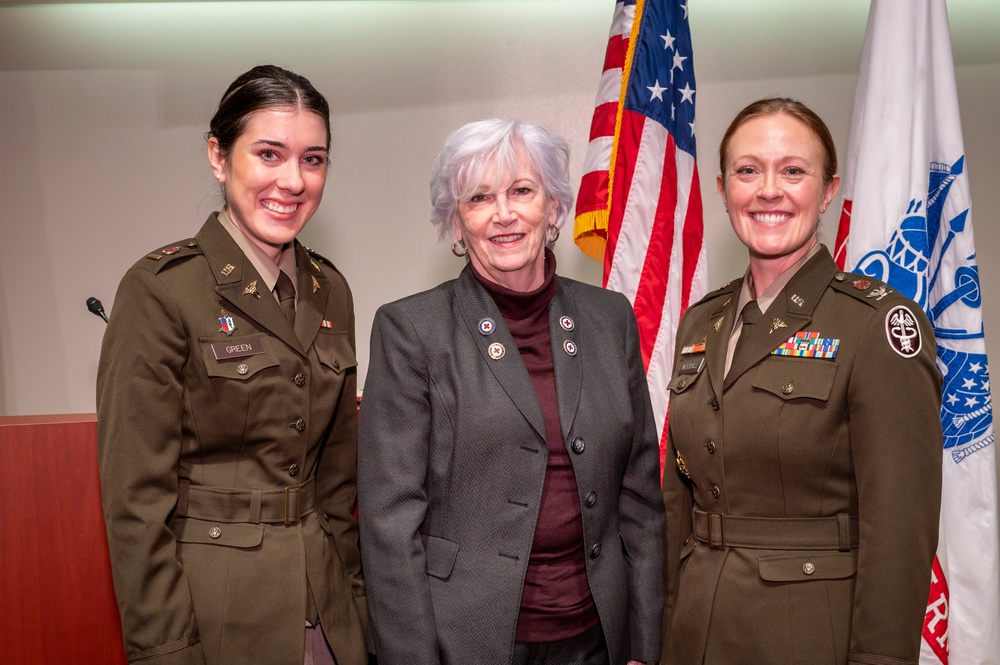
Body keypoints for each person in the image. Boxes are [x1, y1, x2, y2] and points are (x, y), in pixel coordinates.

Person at [357, 119, 664, 665]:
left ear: (554, 209)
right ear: (457, 222)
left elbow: (639, 494)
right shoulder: (411, 330)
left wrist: (642, 641)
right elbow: (390, 522)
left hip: (597, 636)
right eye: (479, 198)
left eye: (522, 190)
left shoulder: (607, 318)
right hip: (465, 640)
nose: (504, 214)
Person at [97, 65, 368, 665]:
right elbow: (136, 504)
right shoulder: (162, 290)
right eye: (269, 154)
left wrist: (358, 612)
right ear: (219, 157)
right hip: (217, 616)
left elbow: (338, 485)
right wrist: (166, 650)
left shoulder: (333, 291)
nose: (293, 181)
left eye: (313, 159)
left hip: (327, 613)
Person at [660, 97, 942, 664]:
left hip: (808, 635)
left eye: (793, 170)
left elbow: (899, 531)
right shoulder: (701, 322)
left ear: (829, 189)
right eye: (747, 171)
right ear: (722, 189)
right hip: (695, 628)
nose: (769, 190)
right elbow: (676, 501)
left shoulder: (874, 324)